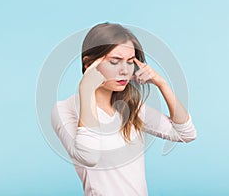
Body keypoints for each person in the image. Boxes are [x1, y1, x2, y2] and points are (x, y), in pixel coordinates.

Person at [51, 22, 197, 196]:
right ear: (88, 64)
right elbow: (89, 157)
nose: (124, 71)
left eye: (129, 62)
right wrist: (87, 89)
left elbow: (186, 133)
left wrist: (161, 83)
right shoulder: (64, 110)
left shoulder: (130, 107)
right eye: (114, 62)